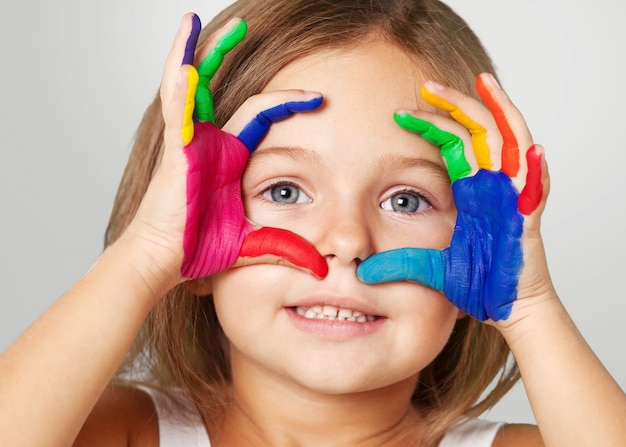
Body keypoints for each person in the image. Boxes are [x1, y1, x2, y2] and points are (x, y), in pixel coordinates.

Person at [0, 0, 625, 446]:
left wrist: (530, 307)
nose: (348, 242)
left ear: (477, 256)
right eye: (284, 189)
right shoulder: (127, 432)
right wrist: (149, 253)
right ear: (195, 243)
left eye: (405, 201)